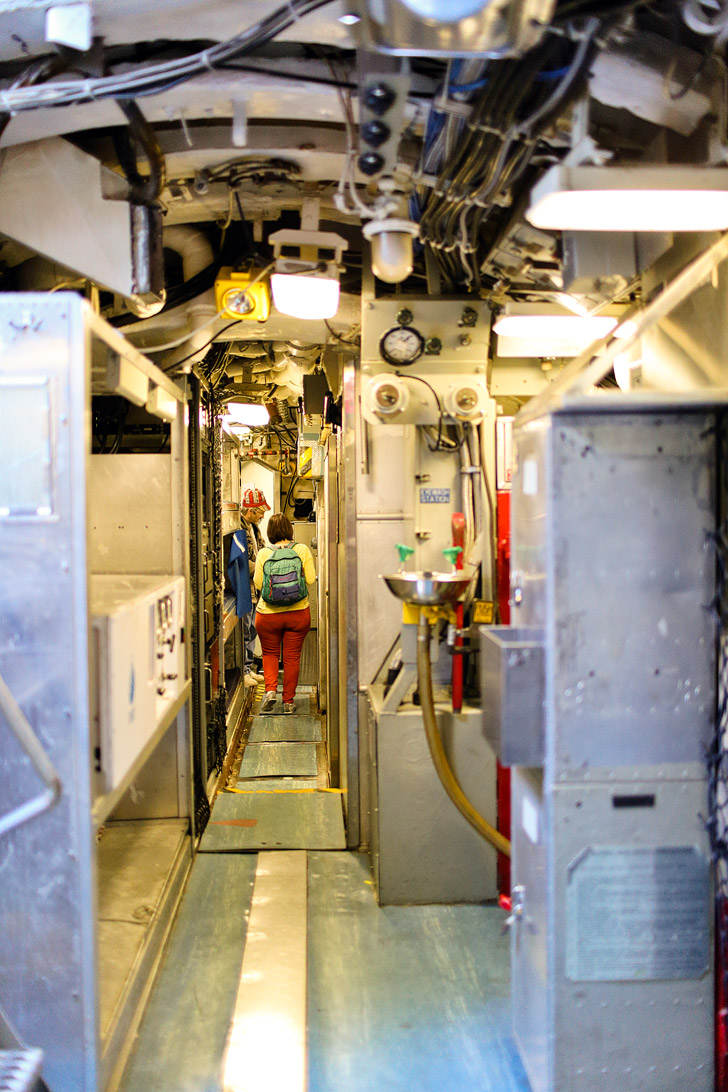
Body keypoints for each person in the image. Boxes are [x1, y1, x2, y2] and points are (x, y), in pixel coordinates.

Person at [254, 513, 316, 714]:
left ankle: (271, 691)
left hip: (268, 615)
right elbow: (311, 580)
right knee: (292, 658)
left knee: (270, 653)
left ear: (270, 533)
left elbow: (257, 583)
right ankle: (288, 702)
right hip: (297, 613)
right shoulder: (301, 549)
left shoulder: (264, 553)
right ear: (290, 530)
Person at [239, 486, 270, 686]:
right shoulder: (240, 529)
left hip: (255, 588)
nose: (262, 516)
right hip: (245, 588)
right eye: (260, 512)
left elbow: (260, 548)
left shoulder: (254, 527)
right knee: (245, 630)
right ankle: (243, 671)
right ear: (250, 511)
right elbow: (243, 562)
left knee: (252, 628)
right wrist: (262, 567)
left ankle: (249, 668)